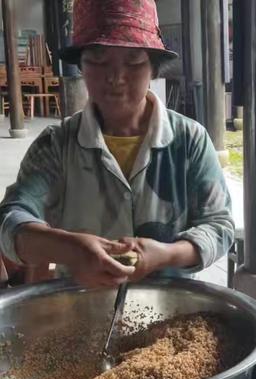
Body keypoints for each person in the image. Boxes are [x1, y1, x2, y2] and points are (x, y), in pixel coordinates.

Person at [0, 0, 234, 288]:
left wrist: (167, 254)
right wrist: (71, 250)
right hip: (78, 310)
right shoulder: (56, 146)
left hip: (171, 313)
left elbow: (219, 226)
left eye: (134, 61)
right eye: (98, 59)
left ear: (153, 67)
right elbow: (10, 220)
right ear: (81, 66)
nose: (115, 77)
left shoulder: (189, 141)